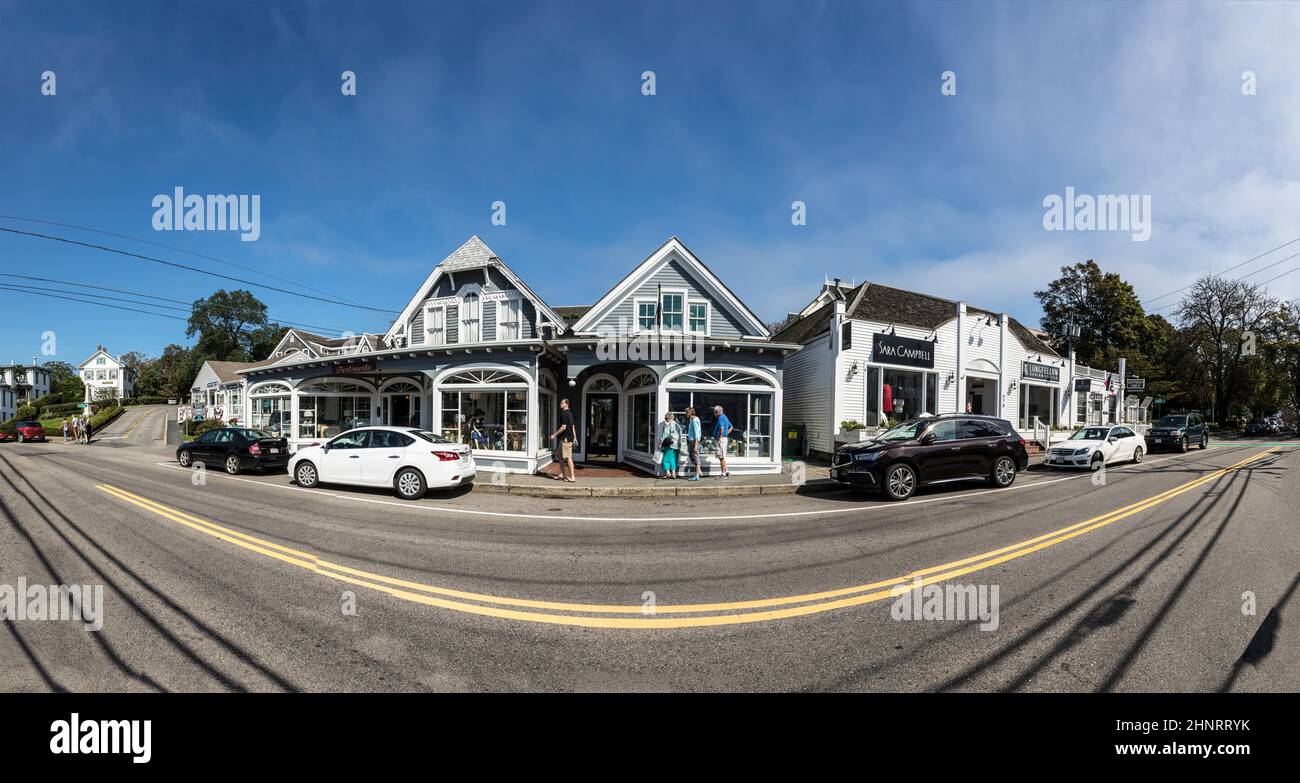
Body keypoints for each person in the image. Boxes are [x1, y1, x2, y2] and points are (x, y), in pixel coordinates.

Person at [548, 398, 577, 482]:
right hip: (565, 438)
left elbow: (563, 427)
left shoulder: (565, 413)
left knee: (568, 457)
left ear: (566, 404)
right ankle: (563, 474)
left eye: (562, 403)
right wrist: (575, 437)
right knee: (559, 455)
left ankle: (572, 477)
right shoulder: (570, 413)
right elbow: (573, 427)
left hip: (566, 439)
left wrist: (554, 435)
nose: (560, 404)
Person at [656, 411, 683, 479]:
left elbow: (665, 434)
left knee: (666, 459)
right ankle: (673, 473)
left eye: (665, 418)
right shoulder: (677, 424)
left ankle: (668, 472)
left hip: (669, 444)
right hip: (676, 444)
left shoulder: (667, 425)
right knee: (674, 459)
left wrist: (660, 443)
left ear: (667, 418)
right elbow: (680, 434)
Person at [712, 405, 733, 478]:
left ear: (718, 412)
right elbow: (731, 427)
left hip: (721, 439)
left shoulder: (720, 417)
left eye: (714, 412)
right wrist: (726, 433)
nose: (714, 414)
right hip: (724, 438)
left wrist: (719, 437)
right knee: (722, 456)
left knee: (721, 457)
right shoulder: (725, 417)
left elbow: (721, 428)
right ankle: (727, 471)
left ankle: (723, 474)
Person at [684, 406, 702, 481]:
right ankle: (699, 471)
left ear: (690, 413)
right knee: (692, 456)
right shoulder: (692, 419)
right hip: (691, 440)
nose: (685, 414)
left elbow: (697, 433)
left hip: (693, 441)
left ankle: (697, 475)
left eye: (686, 413)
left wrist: (695, 445)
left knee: (695, 457)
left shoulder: (694, 420)